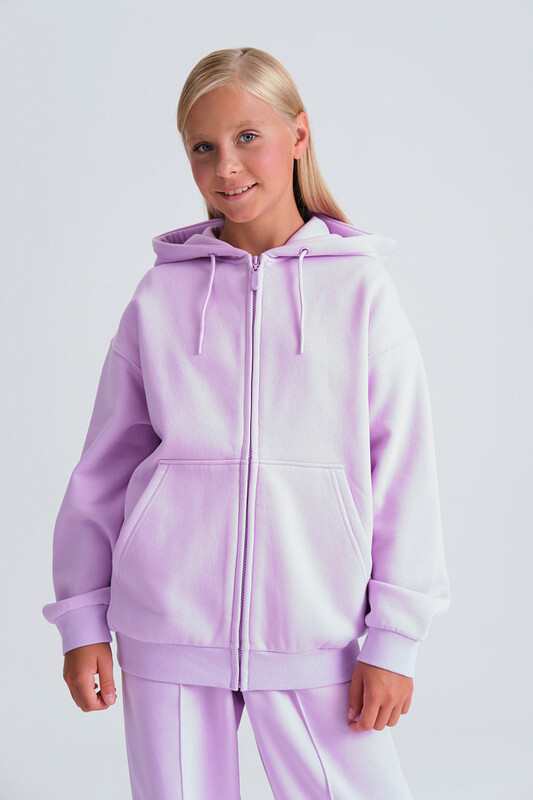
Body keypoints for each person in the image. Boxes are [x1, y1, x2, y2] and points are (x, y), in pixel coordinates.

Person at [42, 46, 451, 799]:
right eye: (202, 147)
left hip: (318, 634)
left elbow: (403, 473)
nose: (225, 166)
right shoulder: (161, 298)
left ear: (299, 135)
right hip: (165, 629)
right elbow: (103, 469)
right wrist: (83, 619)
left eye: (246, 137)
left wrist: (395, 636)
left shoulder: (361, 291)